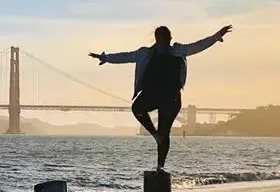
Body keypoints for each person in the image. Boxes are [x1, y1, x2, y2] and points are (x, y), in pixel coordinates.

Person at [89, 25, 232, 169]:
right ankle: (155, 135)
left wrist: (216, 36)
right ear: (156, 39)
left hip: (171, 98)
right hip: (151, 94)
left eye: (166, 39)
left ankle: (160, 166)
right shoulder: (145, 53)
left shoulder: (178, 50)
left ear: (170, 39)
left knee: (165, 132)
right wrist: (106, 58)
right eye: (161, 39)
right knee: (137, 108)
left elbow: (198, 46)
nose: (163, 42)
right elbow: (126, 56)